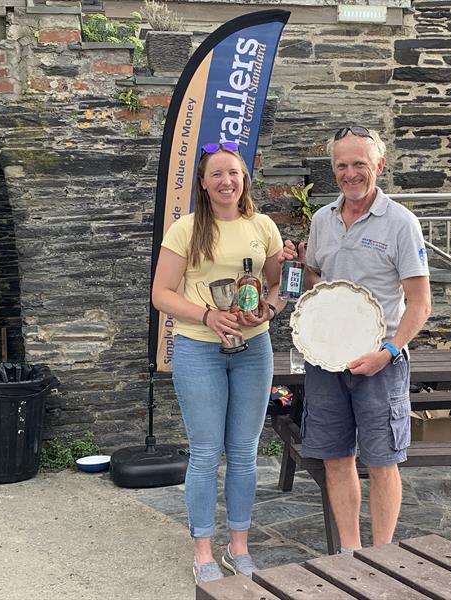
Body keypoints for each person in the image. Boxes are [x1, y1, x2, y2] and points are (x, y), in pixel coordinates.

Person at [283, 125, 431, 552]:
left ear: (379, 166)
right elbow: (315, 283)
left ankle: (381, 554)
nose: (350, 174)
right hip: (326, 361)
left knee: (383, 461)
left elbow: (419, 303)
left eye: (359, 165)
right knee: (335, 459)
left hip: (380, 361)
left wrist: (388, 351)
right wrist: (298, 264)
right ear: (334, 169)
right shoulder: (323, 220)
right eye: (342, 165)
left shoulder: (401, 222)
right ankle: (350, 553)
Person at [151, 142, 284, 584]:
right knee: (206, 453)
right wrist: (208, 314)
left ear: (245, 179)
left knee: (245, 452)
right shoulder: (186, 230)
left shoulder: (262, 226)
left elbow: (278, 287)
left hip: (253, 350)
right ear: (203, 184)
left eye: (234, 173)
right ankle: (203, 550)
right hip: (199, 349)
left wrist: (268, 310)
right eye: (217, 175)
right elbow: (162, 295)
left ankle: (239, 548)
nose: (227, 181)